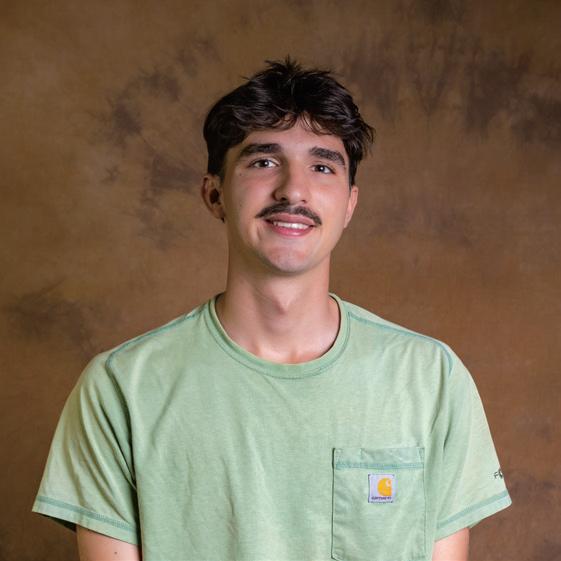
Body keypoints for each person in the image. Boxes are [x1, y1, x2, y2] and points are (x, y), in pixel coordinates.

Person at [32, 58, 511, 561]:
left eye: (322, 166)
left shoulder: (431, 379)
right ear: (214, 194)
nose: (293, 190)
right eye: (263, 162)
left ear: (349, 205)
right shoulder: (120, 389)